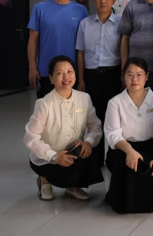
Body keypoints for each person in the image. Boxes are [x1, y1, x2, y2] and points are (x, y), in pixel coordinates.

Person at [24, 55, 103, 201]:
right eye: (60, 73)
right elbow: (30, 138)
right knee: (52, 165)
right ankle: (44, 180)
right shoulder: (44, 103)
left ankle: (72, 186)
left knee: (90, 155)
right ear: (51, 78)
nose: (66, 77)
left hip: (73, 152)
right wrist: (54, 156)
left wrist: (88, 142)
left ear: (75, 74)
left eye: (70, 71)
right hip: (48, 157)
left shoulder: (84, 98)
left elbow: (95, 126)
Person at [103, 57, 153, 214]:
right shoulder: (115, 102)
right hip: (122, 149)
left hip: (151, 150)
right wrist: (130, 151)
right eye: (129, 75)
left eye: (139, 74)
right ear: (123, 77)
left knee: (149, 172)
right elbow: (113, 134)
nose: (134, 79)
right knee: (130, 170)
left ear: (147, 76)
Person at [76, 0, 122, 163]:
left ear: (113, 0)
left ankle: (113, 158)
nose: (103, 1)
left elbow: (124, 51)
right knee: (94, 117)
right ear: (94, 0)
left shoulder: (121, 23)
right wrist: (81, 79)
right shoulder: (85, 24)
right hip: (91, 76)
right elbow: (80, 53)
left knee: (113, 116)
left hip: (113, 75)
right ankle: (94, 159)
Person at [28, 0, 88, 98]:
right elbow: (32, 40)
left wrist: (82, 76)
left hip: (72, 71)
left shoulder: (81, 10)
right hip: (46, 71)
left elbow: (83, 44)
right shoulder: (39, 9)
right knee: (46, 108)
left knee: (71, 108)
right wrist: (32, 67)